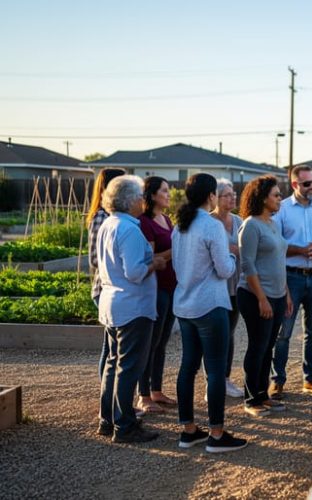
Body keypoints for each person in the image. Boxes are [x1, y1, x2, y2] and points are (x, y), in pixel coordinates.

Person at [172, 173, 247, 453]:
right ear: (211, 196)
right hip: (210, 304)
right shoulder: (212, 226)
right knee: (215, 370)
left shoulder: (180, 225)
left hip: (185, 304)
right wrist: (231, 255)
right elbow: (225, 270)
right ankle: (216, 434)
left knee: (187, 366)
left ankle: (189, 430)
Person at [96, 175, 165, 443]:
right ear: (129, 201)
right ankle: (125, 425)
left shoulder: (108, 224)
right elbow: (135, 272)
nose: (142, 200)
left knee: (113, 365)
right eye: (139, 196)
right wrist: (155, 264)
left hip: (112, 303)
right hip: (133, 306)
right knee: (129, 367)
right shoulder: (130, 230)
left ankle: (108, 419)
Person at [271, 165, 312, 399]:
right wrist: (301, 250)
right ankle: (276, 381)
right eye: (307, 183)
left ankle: (310, 380)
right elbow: (275, 246)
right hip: (291, 277)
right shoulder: (282, 210)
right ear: (294, 185)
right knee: (284, 332)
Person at [237, 175, 292, 416]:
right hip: (255, 296)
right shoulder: (250, 225)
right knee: (258, 347)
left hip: (278, 296)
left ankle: (262, 394)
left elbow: (279, 261)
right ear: (262, 197)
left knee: (268, 347)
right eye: (276, 195)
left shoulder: (272, 222)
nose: (280, 198)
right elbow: (248, 265)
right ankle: (251, 400)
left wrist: (286, 294)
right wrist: (261, 298)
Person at [136, 176, 178, 414]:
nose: (168, 194)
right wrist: (179, 248)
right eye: (164, 190)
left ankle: (157, 390)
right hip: (156, 289)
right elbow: (152, 258)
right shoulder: (145, 222)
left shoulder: (168, 219)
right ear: (152, 195)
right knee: (151, 342)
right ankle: (143, 396)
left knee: (162, 342)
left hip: (172, 287)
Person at [86, 167, 126, 380]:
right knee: (113, 351)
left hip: (112, 289)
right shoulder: (101, 217)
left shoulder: (112, 216)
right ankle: (109, 400)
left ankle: (109, 398)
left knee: (111, 347)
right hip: (105, 289)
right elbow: (94, 258)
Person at [211, 178, 245, 398]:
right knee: (215, 335)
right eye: (227, 195)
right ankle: (211, 382)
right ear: (215, 197)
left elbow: (245, 249)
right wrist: (230, 248)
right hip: (216, 286)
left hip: (236, 285)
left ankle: (224, 379)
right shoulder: (209, 222)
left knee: (230, 333)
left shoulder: (239, 221)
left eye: (234, 194)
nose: (233, 198)